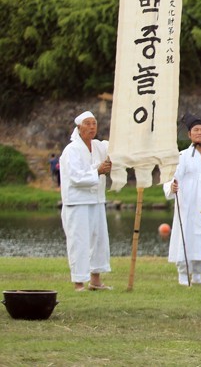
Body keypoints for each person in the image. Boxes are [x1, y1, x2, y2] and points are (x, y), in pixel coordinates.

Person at [60, 110, 112, 291]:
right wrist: (97, 171)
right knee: (79, 241)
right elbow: (75, 177)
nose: (91, 127)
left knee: (99, 240)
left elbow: (117, 149)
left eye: (94, 123)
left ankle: (95, 280)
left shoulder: (99, 146)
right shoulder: (71, 150)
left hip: (96, 200)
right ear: (79, 128)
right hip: (77, 202)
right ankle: (78, 282)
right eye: (87, 124)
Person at [164, 114, 201, 286]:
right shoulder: (183, 156)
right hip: (188, 201)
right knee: (186, 234)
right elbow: (173, 176)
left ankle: (198, 274)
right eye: (196, 130)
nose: (199, 133)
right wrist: (172, 186)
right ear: (190, 135)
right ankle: (183, 274)